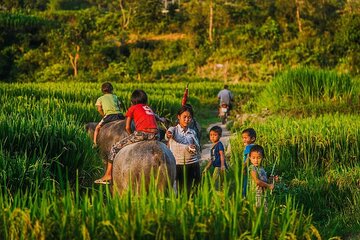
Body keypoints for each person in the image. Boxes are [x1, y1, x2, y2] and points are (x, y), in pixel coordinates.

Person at [94, 89, 158, 184]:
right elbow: (157, 118)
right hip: (156, 135)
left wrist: (131, 135)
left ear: (132, 101)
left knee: (114, 148)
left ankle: (108, 174)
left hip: (142, 134)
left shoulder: (132, 108)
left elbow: (127, 127)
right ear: (145, 100)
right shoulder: (148, 108)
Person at [166, 105, 201, 194]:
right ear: (178, 117)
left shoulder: (192, 132)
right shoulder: (173, 130)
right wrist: (168, 134)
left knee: (193, 191)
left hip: (193, 164)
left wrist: (194, 148)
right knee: (179, 192)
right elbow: (168, 134)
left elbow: (197, 147)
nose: (187, 120)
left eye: (189, 117)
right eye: (184, 117)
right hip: (178, 165)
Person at [93, 82, 125, 146]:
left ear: (102, 90)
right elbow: (119, 106)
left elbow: (99, 109)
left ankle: (95, 143)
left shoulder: (100, 98)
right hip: (119, 115)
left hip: (109, 115)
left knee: (97, 128)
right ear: (112, 89)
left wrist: (104, 115)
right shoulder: (115, 97)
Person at [248, 144, 274, 210]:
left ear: (263, 157)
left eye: (258, 158)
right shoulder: (252, 168)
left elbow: (264, 181)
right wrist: (269, 186)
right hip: (256, 194)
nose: (256, 160)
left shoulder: (262, 169)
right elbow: (257, 181)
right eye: (253, 158)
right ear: (250, 158)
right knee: (257, 210)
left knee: (265, 209)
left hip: (263, 194)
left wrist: (271, 179)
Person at [241, 128, 256, 197]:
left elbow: (247, 159)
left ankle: (245, 196)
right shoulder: (255, 146)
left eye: (245, 138)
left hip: (247, 168)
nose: (243, 140)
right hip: (253, 168)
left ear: (252, 139)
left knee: (245, 183)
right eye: (243, 138)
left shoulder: (248, 147)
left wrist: (243, 168)